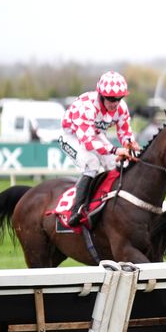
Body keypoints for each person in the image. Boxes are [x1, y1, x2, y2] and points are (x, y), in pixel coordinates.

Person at [60, 71, 140, 226]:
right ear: (101, 95)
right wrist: (116, 150)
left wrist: (130, 144)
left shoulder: (121, 107)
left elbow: (124, 132)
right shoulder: (86, 107)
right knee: (92, 163)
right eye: (111, 99)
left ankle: (110, 207)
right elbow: (88, 142)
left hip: (95, 135)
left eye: (119, 98)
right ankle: (75, 209)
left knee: (115, 164)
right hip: (72, 137)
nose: (115, 103)